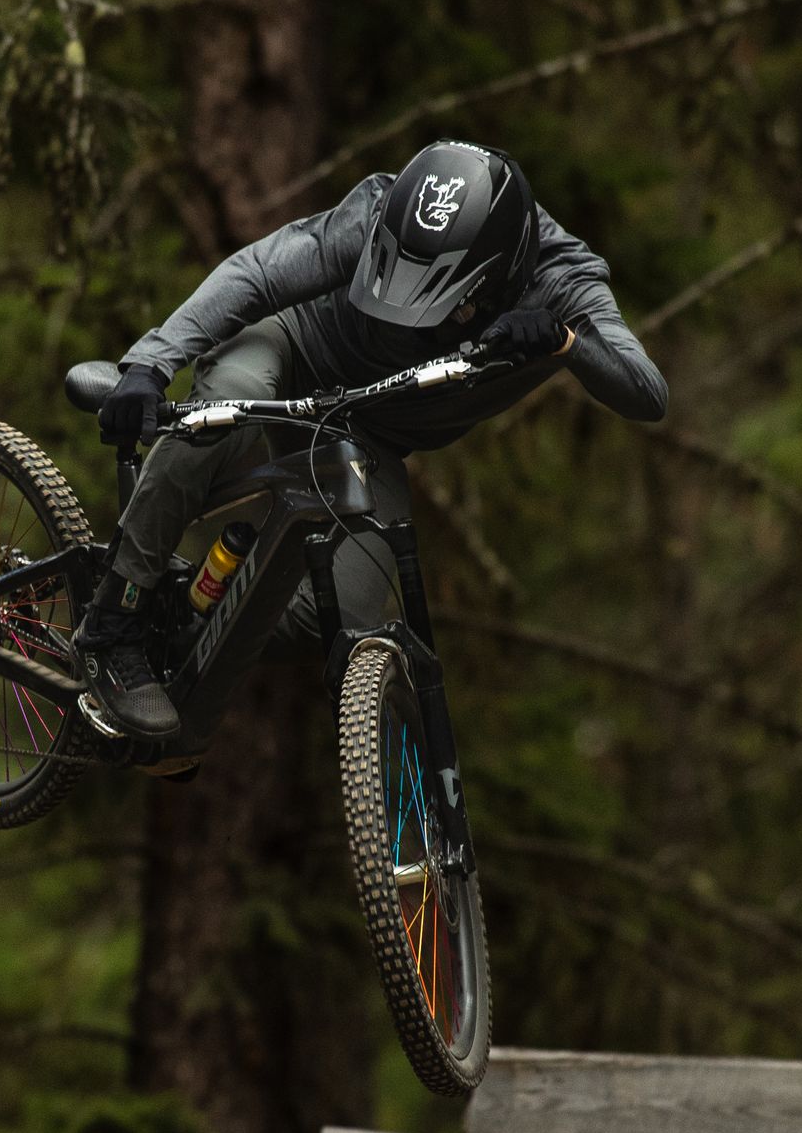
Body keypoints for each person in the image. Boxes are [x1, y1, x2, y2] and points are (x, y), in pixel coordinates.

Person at [73, 137, 667, 739]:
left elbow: (647, 392)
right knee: (218, 415)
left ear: (499, 279)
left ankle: (185, 621)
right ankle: (111, 625)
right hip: (289, 349)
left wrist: (567, 342)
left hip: (367, 429)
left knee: (339, 614)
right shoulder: (376, 210)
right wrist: (150, 365)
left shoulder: (562, 285)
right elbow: (254, 275)